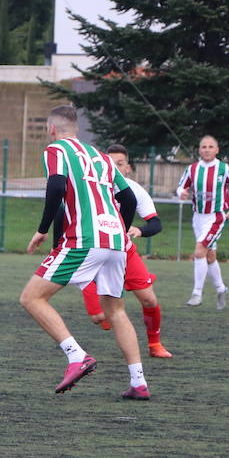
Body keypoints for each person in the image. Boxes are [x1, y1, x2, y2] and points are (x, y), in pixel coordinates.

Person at [20, 106, 150, 399]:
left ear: (51, 129)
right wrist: (119, 229)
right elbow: (127, 198)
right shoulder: (102, 157)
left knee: (31, 297)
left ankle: (76, 356)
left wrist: (42, 229)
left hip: (84, 239)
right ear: (76, 128)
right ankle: (138, 382)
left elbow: (55, 187)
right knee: (116, 311)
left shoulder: (56, 150)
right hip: (116, 241)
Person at [78, 144, 173, 359]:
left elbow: (156, 224)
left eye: (119, 164)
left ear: (127, 168)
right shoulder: (90, 187)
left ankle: (155, 345)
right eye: (109, 163)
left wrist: (139, 229)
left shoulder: (134, 190)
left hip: (124, 250)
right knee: (100, 317)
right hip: (94, 253)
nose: (114, 168)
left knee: (149, 300)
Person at [175, 135, 229, 309]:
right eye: (203, 147)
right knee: (209, 256)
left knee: (199, 251)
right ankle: (221, 289)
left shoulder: (224, 169)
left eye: (210, 146)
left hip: (216, 217)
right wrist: (181, 193)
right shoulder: (192, 169)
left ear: (217, 150)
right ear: (199, 150)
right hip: (197, 217)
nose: (207, 149)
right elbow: (180, 186)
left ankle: (196, 293)